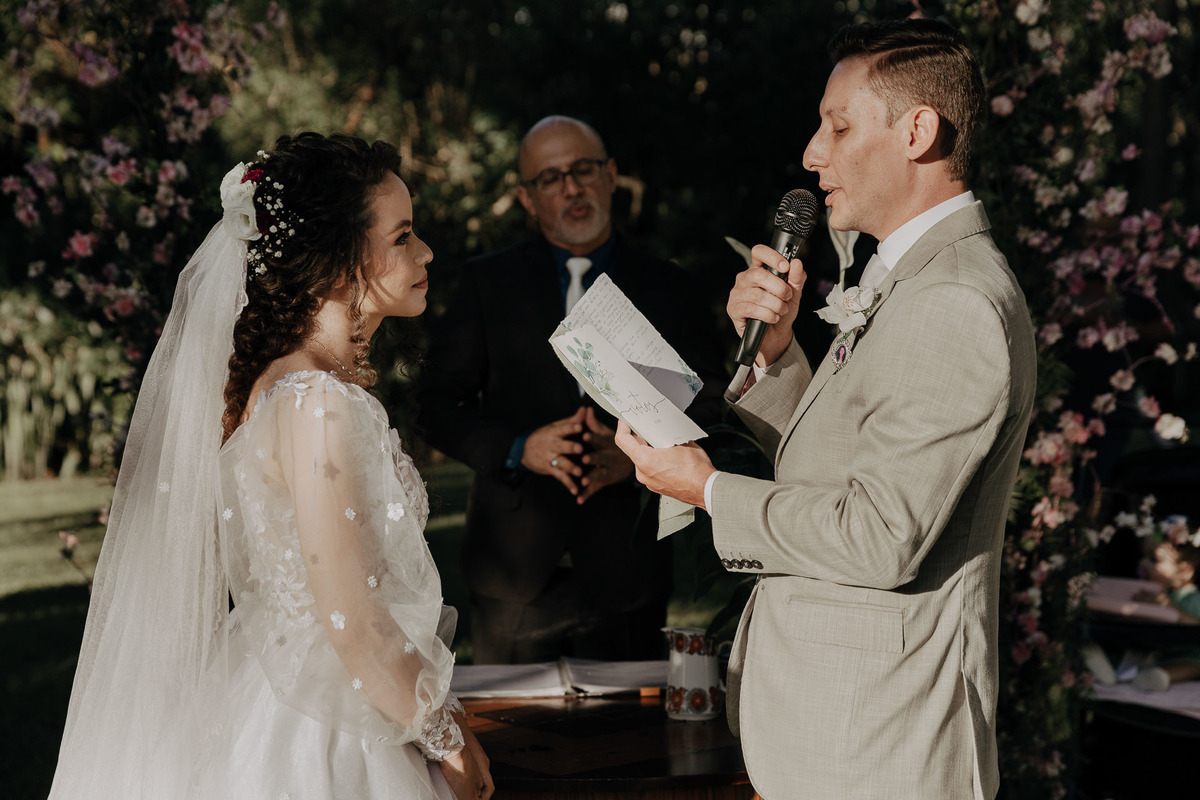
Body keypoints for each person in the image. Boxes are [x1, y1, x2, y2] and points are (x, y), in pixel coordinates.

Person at [615, 19, 1036, 800]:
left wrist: (708, 491)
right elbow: (840, 463)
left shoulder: (954, 300)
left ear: (917, 132)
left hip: (881, 743)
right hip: (839, 732)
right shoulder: (911, 278)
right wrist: (774, 357)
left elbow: (879, 537)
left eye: (838, 127)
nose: (812, 154)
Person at [48, 133, 492, 800]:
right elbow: (353, 624)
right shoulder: (317, 403)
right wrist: (450, 743)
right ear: (337, 264)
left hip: (285, 696)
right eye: (402, 237)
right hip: (326, 735)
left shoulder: (282, 385)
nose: (425, 251)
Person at [416, 116, 726, 664]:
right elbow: (435, 404)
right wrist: (519, 448)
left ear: (610, 175)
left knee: (630, 722)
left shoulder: (671, 287)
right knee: (513, 721)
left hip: (629, 569)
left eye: (583, 169)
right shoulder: (487, 283)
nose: (571, 188)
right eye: (550, 178)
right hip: (513, 572)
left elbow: (711, 405)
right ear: (527, 197)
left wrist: (638, 458)